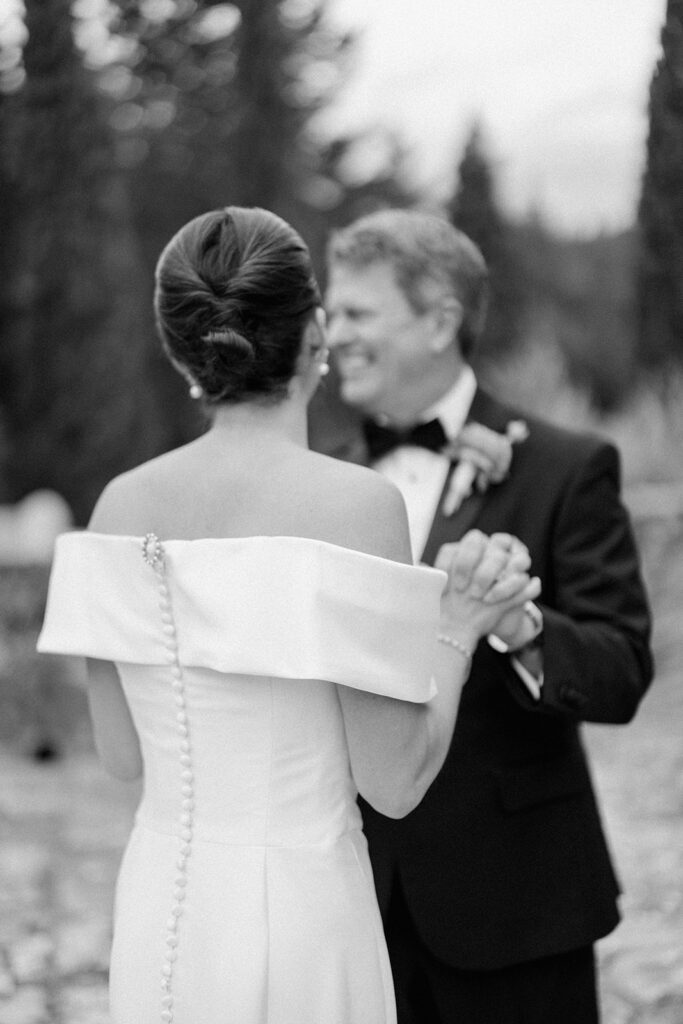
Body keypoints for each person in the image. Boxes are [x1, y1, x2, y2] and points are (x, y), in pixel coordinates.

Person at [37, 207, 539, 1024]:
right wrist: (458, 624)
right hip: (306, 912)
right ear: (314, 334)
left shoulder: (118, 504)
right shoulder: (355, 505)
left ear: (180, 348)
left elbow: (120, 756)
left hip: (161, 905)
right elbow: (395, 783)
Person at [319, 208, 654, 1024]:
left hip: (516, 904)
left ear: (439, 321)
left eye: (357, 313)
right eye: (330, 314)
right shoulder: (325, 478)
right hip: (351, 902)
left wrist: (517, 626)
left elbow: (619, 673)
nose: (333, 335)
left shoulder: (569, 466)